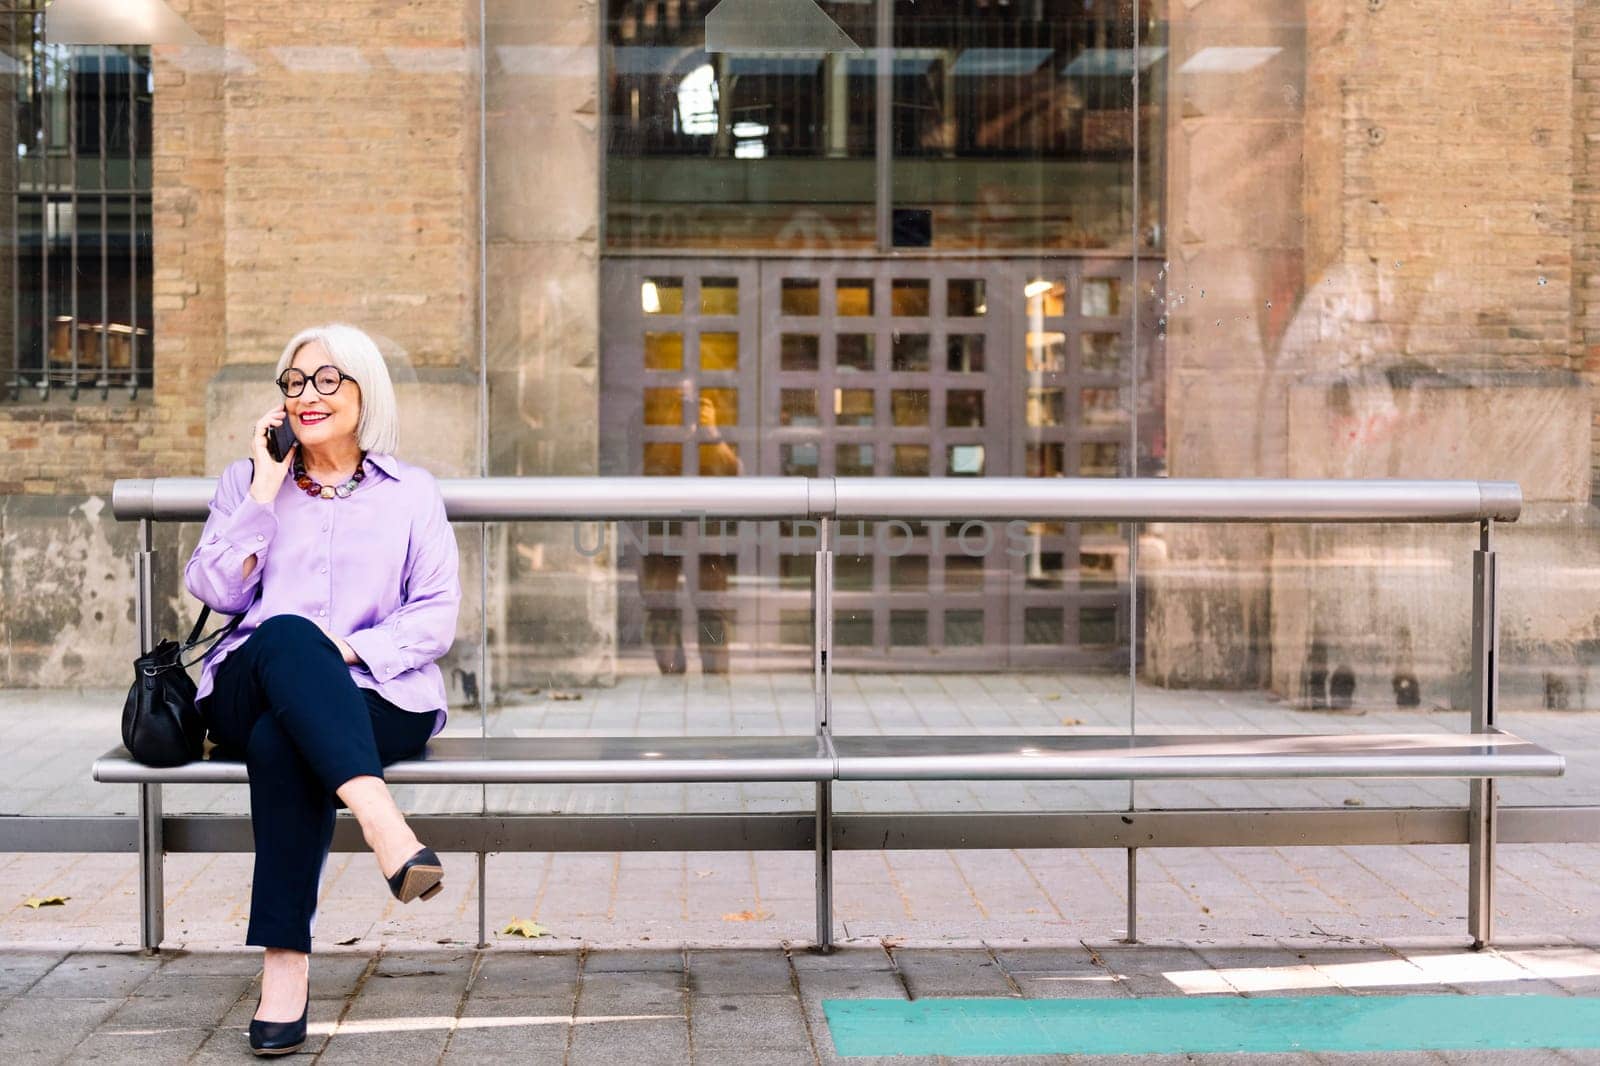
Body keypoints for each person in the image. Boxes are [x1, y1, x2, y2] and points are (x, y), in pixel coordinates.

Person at [183, 323, 461, 1056]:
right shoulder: (248, 483)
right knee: (283, 636)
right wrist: (264, 493)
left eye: (328, 380)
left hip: (378, 690)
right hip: (249, 682)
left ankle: (284, 972)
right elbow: (210, 586)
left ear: (366, 391)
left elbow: (434, 618)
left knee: (287, 737)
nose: (309, 395)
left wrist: (342, 648)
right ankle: (385, 828)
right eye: (295, 383)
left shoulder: (412, 494)